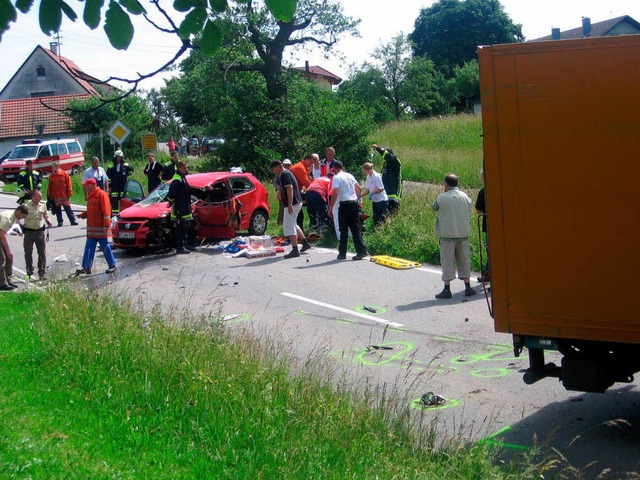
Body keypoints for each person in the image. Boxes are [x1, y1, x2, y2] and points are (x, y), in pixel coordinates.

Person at [432, 173, 475, 299]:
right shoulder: (465, 197)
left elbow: (434, 208)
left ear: (446, 184)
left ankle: (447, 288)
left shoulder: (442, 197)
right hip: (463, 234)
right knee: (464, 260)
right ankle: (467, 286)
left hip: (448, 235)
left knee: (447, 261)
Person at [270, 160, 312, 258]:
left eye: (273, 169)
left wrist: (289, 204)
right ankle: (305, 243)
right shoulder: (285, 174)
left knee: (288, 226)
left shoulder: (285, 174)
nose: (273, 171)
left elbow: (290, 188)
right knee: (293, 224)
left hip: (293, 203)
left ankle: (295, 250)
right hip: (296, 202)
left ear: (278, 166)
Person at [75, 178, 117, 275]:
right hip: (91, 230)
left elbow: (106, 212)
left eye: (86, 185)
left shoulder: (102, 195)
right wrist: (84, 214)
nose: (85, 187)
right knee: (89, 247)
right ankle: (86, 267)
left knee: (104, 247)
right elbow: (92, 211)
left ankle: (112, 265)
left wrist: (106, 225)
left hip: (100, 229)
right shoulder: (90, 196)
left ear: (92, 185)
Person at [328, 160, 368, 261]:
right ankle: (361, 251)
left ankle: (342, 254)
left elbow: (335, 192)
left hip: (344, 205)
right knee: (355, 228)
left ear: (334, 168)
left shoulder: (337, 177)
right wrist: (357, 201)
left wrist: (331, 207)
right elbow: (358, 188)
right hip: (354, 203)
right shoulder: (349, 175)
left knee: (343, 229)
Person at [167, 161, 194, 254]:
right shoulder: (176, 179)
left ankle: (185, 244)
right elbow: (171, 194)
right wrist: (171, 202)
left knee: (185, 227)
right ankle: (180, 247)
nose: (186, 169)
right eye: (184, 168)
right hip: (179, 208)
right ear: (179, 168)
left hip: (185, 207)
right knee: (180, 228)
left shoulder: (182, 177)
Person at [0, 205, 29, 290]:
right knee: (2, 259)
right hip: (0, 235)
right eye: (23, 216)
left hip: (1, 234)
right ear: (19, 212)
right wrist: (7, 251)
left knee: (10, 258)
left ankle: (9, 280)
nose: (22, 218)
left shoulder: (14, 217)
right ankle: (2, 283)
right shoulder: (7, 217)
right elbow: (1, 235)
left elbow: (6, 230)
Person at [372, 144, 402, 214]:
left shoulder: (395, 162)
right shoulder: (386, 166)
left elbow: (388, 156)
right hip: (384, 196)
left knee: (392, 214)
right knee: (384, 216)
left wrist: (378, 148)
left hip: (393, 195)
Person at [47, 161, 78, 227]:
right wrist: (49, 195)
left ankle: (73, 221)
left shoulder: (64, 174)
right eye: (52, 168)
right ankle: (60, 222)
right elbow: (49, 186)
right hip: (56, 195)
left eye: (53, 167)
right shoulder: (51, 176)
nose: (52, 169)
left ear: (57, 167)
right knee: (58, 209)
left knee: (67, 208)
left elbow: (69, 184)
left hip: (64, 195)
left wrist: (69, 193)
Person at [106, 149, 134, 216]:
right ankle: (114, 216)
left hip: (123, 188)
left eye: (120, 157)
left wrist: (127, 165)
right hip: (114, 188)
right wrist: (109, 187)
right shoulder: (110, 167)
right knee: (114, 202)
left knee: (123, 202)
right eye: (117, 157)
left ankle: (123, 215)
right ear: (115, 157)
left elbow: (132, 169)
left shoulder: (125, 165)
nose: (119, 158)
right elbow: (108, 178)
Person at [361, 162, 389, 226]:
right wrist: (361, 195)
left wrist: (372, 193)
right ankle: (377, 228)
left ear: (369, 170)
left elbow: (381, 189)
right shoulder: (368, 176)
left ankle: (385, 228)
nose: (364, 172)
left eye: (364, 171)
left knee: (383, 216)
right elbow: (368, 189)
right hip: (375, 200)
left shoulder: (376, 176)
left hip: (381, 200)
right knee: (376, 216)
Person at [289, 155, 313, 230]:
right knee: (299, 215)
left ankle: (301, 231)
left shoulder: (303, 167)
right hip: (293, 192)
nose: (311, 164)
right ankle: (299, 233)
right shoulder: (300, 167)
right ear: (306, 160)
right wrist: (315, 189)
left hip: (297, 191)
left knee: (310, 200)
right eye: (310, 162)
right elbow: (306, 182)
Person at [475, 169, 490, 283]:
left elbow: (478, 210)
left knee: (490, 251)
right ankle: (487, 273)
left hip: (489, 226)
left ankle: (488, 273)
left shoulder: (483, 192)